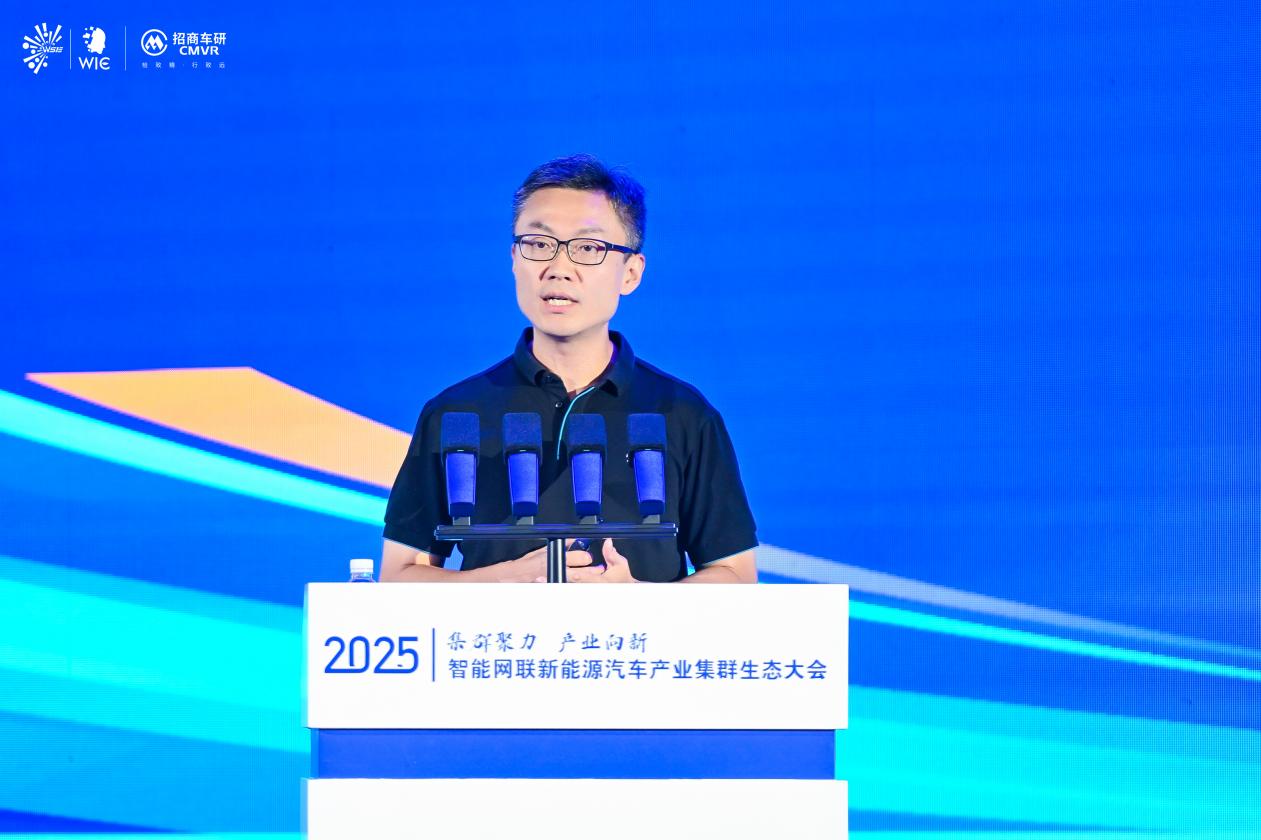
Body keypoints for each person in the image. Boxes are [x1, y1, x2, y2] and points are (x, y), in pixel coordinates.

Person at [380, 154, 757, 583]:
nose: (559, 269)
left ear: (631, 273)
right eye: (539, 244)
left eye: (588, 248)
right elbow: (398, 576)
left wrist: (641, 599)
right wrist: (504, 580)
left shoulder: (682, 413)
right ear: (514, 258)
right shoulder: (456, 413)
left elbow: (736, 576)